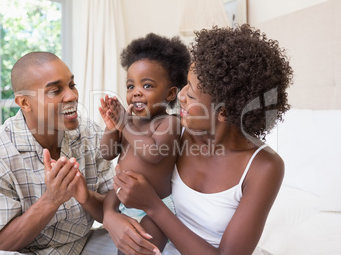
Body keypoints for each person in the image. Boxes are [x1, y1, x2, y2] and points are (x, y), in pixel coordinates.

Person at [104, 24, 294, 255]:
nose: (180, 96)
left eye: (191, 93)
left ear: (224, 111)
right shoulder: (178, 132)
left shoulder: (263, 167)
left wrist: (152, 206)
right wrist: (110, 216)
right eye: (185, 84)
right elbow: (128, 166)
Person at [0, 51, 115, 254]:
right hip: (27, 252)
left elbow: (113, 210)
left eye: (72, 85)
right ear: (24, 103)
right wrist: (52, 199)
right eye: (55, 91)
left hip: (81, 244)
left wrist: (85, 197)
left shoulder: (91, 134)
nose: (72, 96)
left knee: (146, 243)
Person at [99, 33, 190, 253]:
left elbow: (153, 153)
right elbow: (107, 152)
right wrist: (112, 125)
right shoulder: (129, 122)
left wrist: (124, 124)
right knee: (110, 204)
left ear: (170, 94)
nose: (136, 92)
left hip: (154, 208)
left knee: (141, 245)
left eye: (147, 86)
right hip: (123, 199)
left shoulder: (170, 123)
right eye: (131, 86)